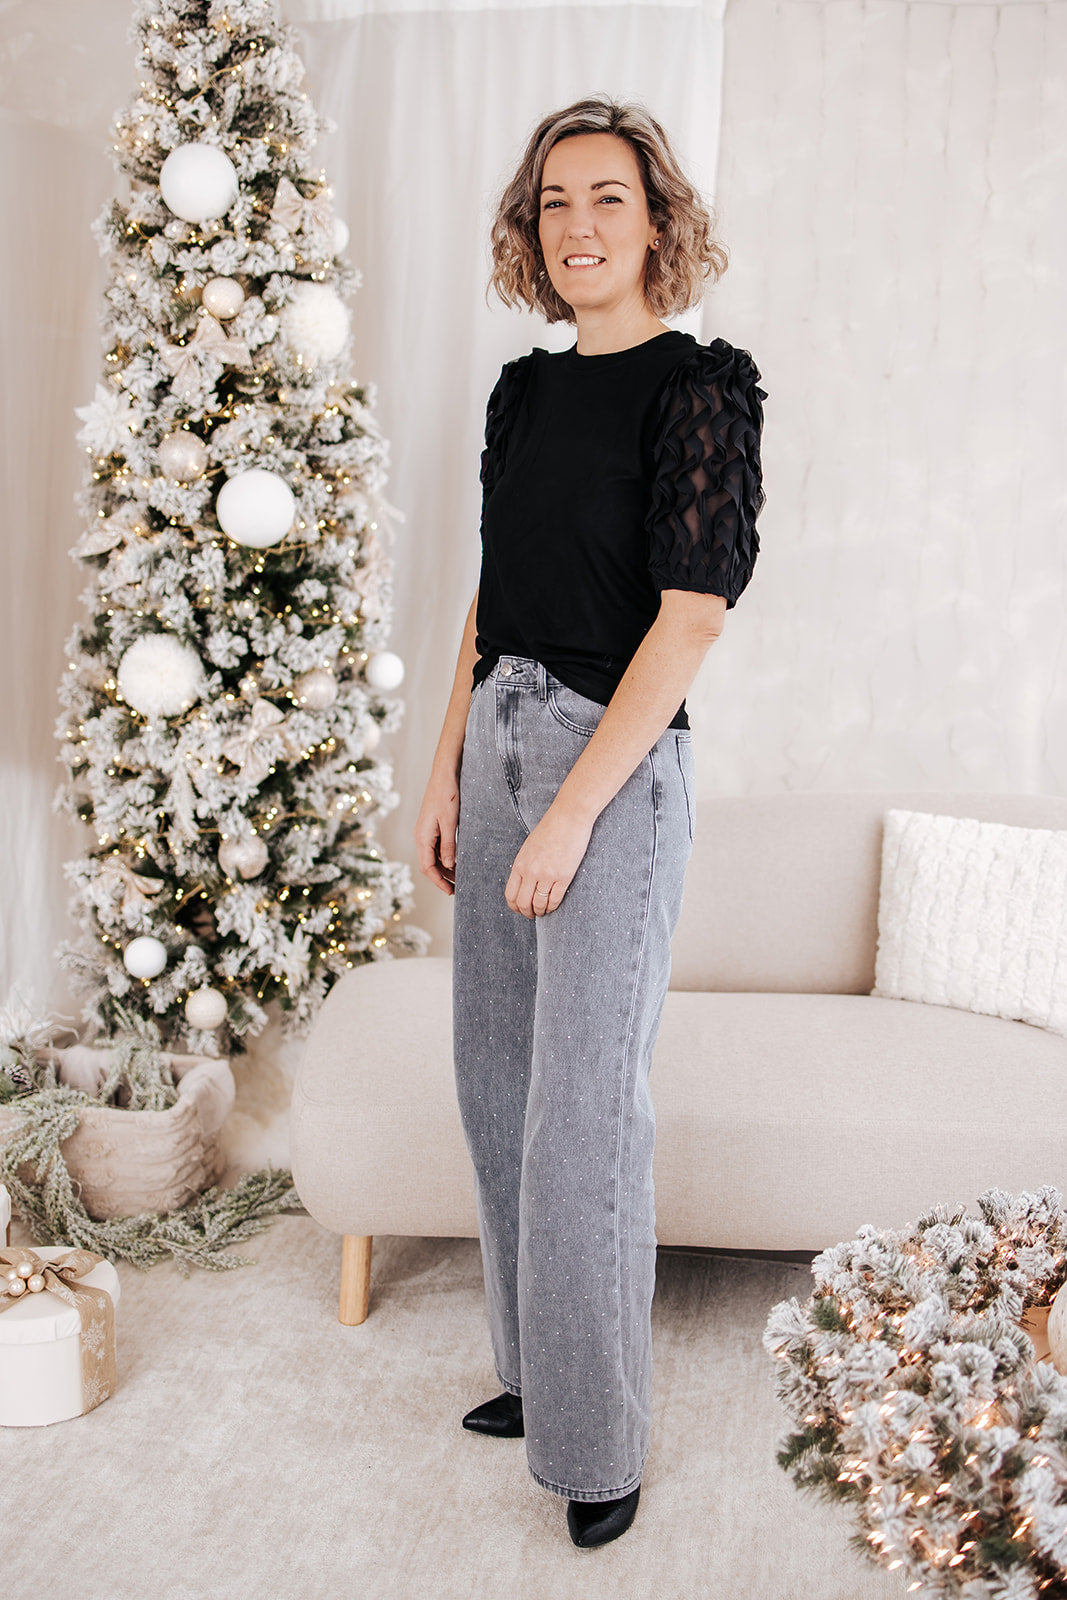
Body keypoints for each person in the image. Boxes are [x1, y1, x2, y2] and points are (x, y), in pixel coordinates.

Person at [414, 94, 767, 1549]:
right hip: (501, 733)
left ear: (658, 221)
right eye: (555, 201)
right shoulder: (523, 395)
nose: (579, 226)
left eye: (608, 197)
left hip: (607, 769)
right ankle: (538, 1372)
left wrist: (568, 812)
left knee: (583, 1118)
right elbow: (491, 599)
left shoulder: (702, 388)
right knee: (495, 1085)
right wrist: (444, 766)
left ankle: (596, 1439)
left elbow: (690, 622)